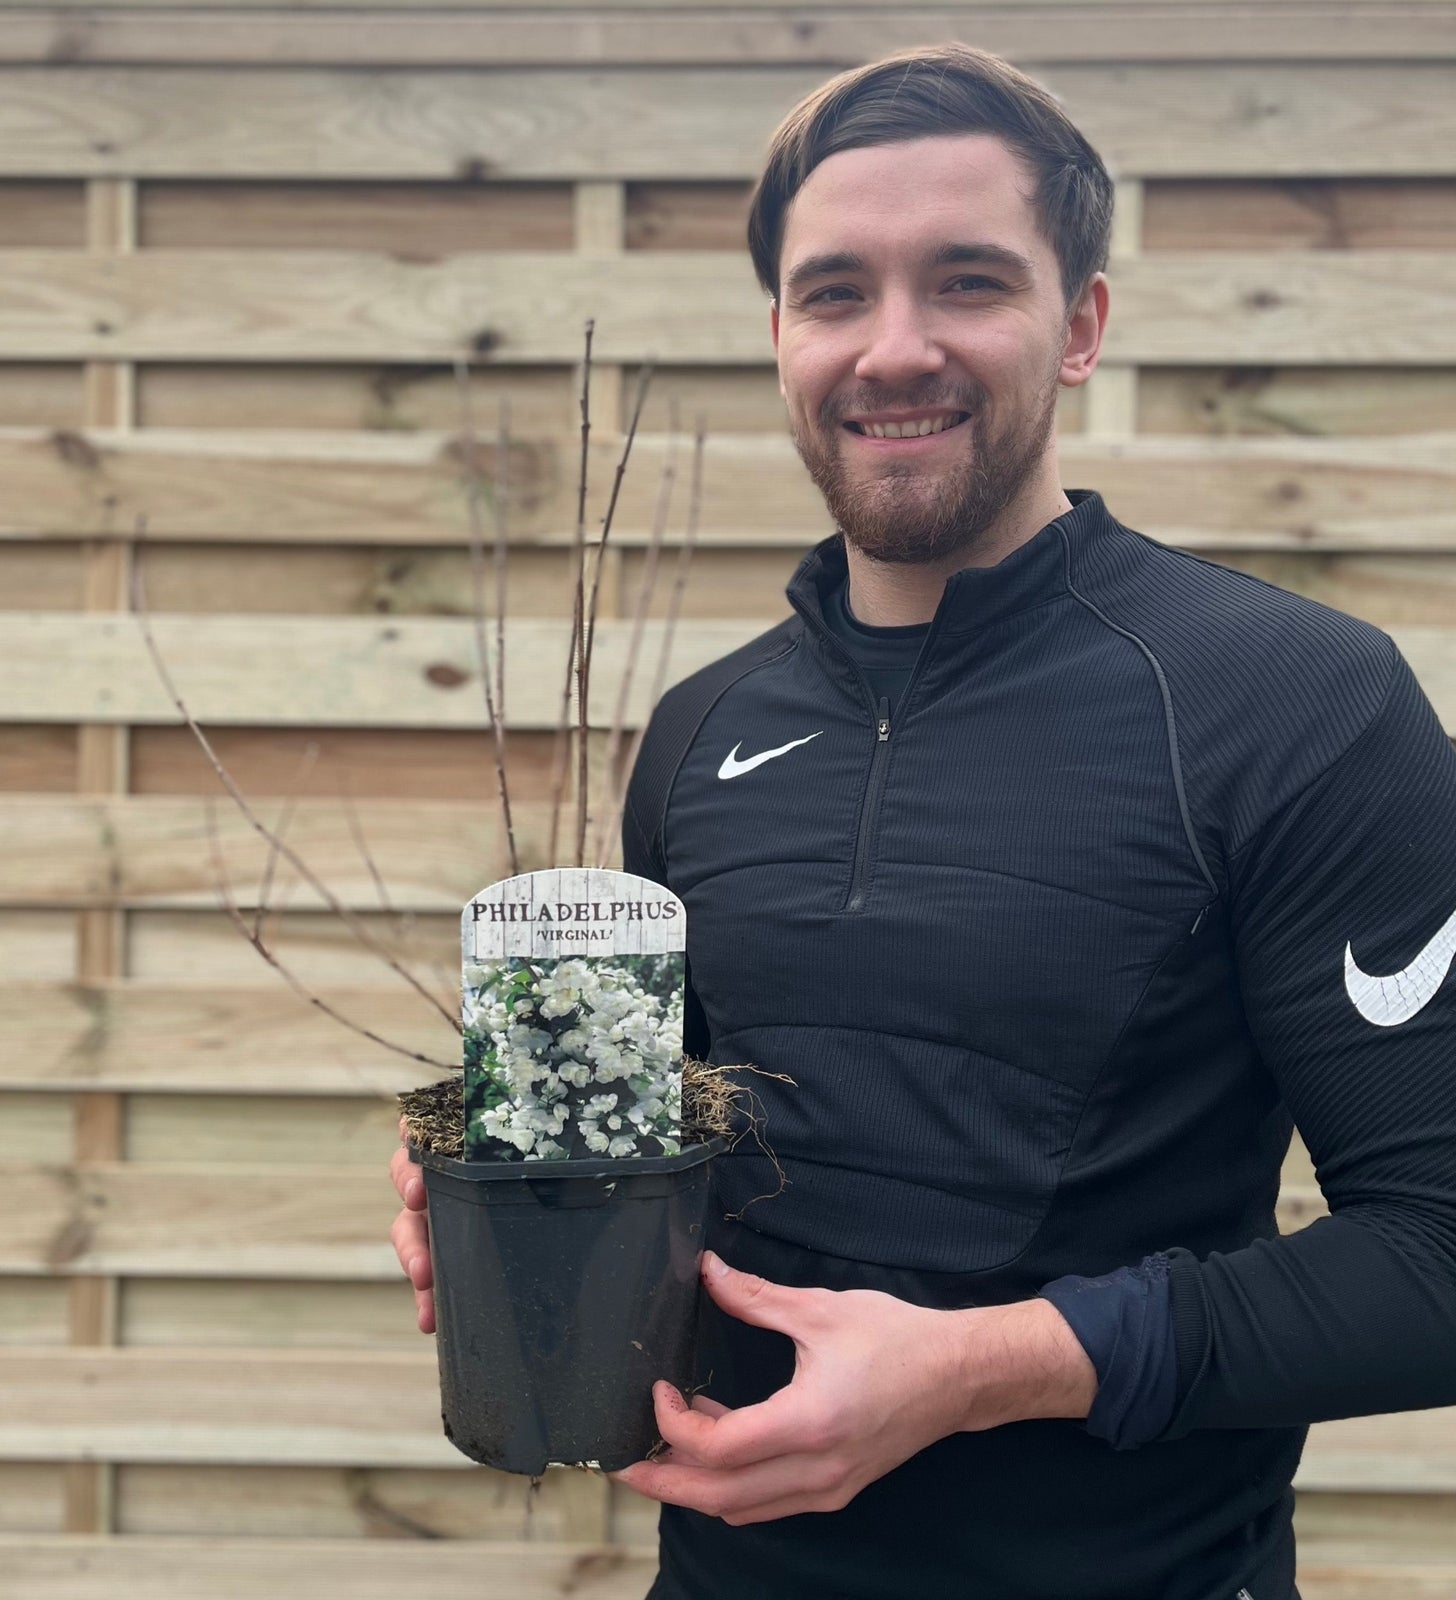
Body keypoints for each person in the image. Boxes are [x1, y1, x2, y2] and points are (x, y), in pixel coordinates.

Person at [393, 43, 1456, 1600]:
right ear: (777, 336)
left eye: (966, 281)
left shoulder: (1296, 702)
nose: (894, 348)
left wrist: (980, 1369)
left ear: (1080, 324)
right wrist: (520, 1211)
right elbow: (677, 1185)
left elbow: (1438, 1250)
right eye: (835, 293)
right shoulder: (701, 735)